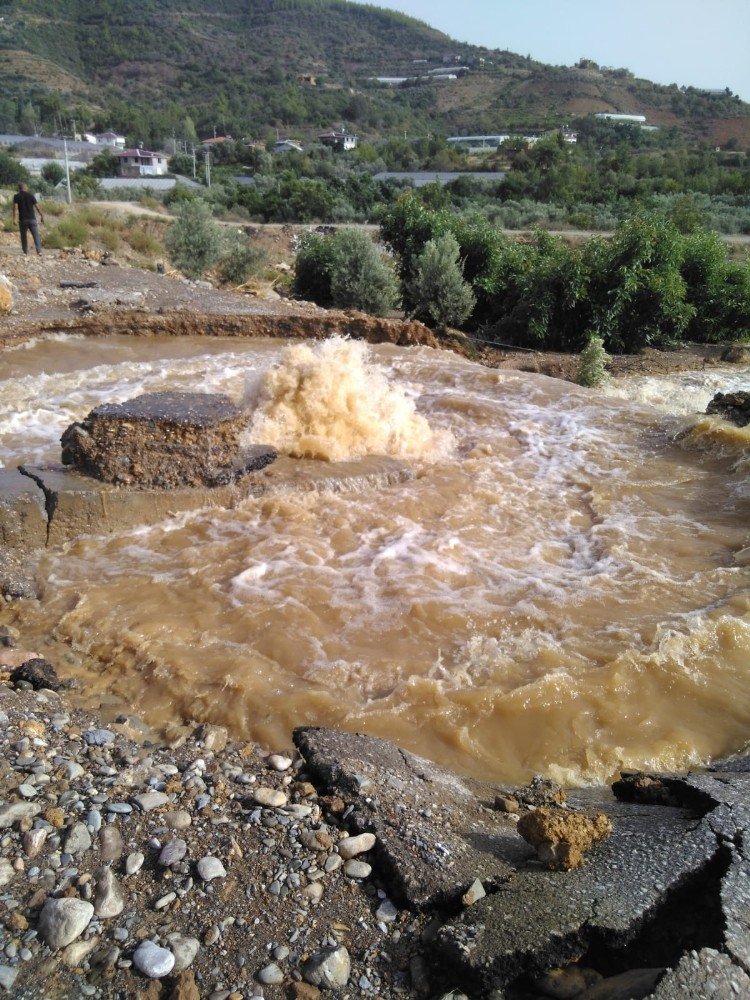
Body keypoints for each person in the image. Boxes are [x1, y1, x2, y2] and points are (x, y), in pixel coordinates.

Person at [12, 182, 44, 256]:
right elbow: (37, 207)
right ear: (25, 187)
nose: (27, 188)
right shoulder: (31, 195)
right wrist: (42, 216)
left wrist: (14, 219)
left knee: (23, 236)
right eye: (27, 187)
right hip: (32, 219)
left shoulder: (16, 196)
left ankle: (25, 252)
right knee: (36, 235)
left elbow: (15, 208)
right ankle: (39, 251)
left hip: (22, 219)